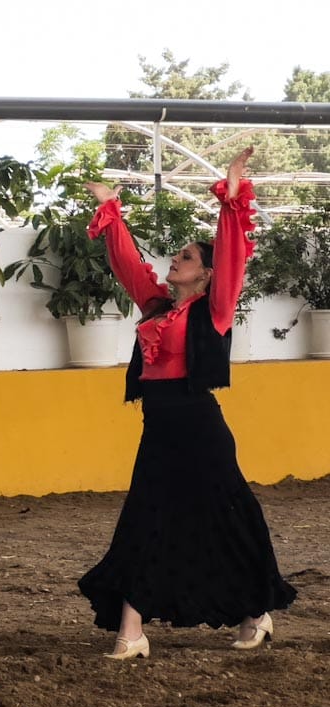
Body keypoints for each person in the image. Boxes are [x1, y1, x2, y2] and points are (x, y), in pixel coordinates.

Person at [77, 146, 297, 659]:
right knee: (146, 519)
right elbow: (128, 264)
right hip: (160, 430)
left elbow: (232, 256)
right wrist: (113, 212)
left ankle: (255, 611)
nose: (174, 261)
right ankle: (131, 631)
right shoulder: (156, 307)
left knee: (222, 520)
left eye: (186, 257)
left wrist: (232, 199)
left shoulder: (214, 311)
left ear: (204, 274)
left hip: (200, 429)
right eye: (176, 256)